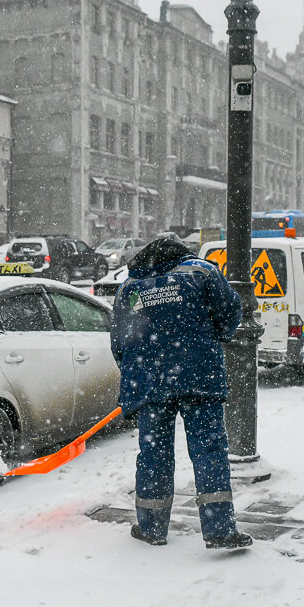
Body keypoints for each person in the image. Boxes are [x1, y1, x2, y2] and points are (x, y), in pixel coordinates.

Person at [110, 235, 252, 550]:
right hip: (199, 375)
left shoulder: (129, 287)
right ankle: (219, 530)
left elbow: (120, 342)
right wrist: (213, 338)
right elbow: (230, 312)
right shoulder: (200, 271)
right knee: (209, 450)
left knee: (154, 454)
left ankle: (151, 528)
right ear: (179, 253)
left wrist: (140, 371)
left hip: (150, 383)